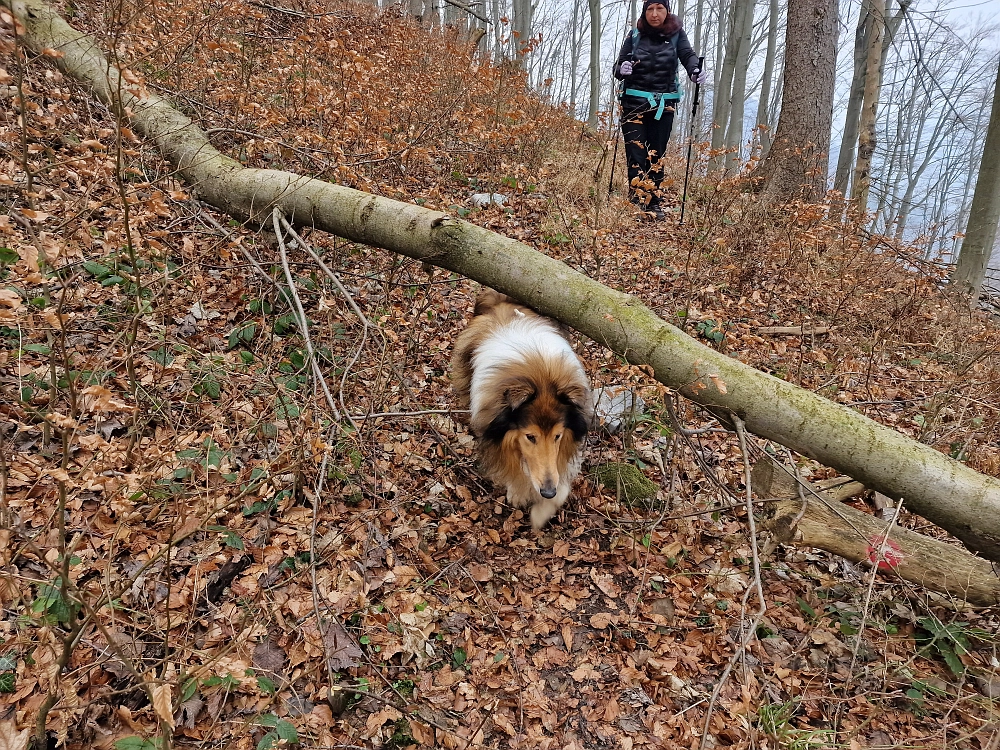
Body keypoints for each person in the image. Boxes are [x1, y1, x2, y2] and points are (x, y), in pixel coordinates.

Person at [614, 0, 705, 220]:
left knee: (656, 153)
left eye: (659, 9)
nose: (654, 14)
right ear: (645, 12)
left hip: (664, 105)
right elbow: (618, 66)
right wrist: (622, 69)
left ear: (667, 11)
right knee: (636, 153)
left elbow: (687, 55)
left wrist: (695, 70)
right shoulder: (634, 35)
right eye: (650, 9)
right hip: (633, 102)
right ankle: (636, 200)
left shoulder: (677, 34)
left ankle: (653, 202)